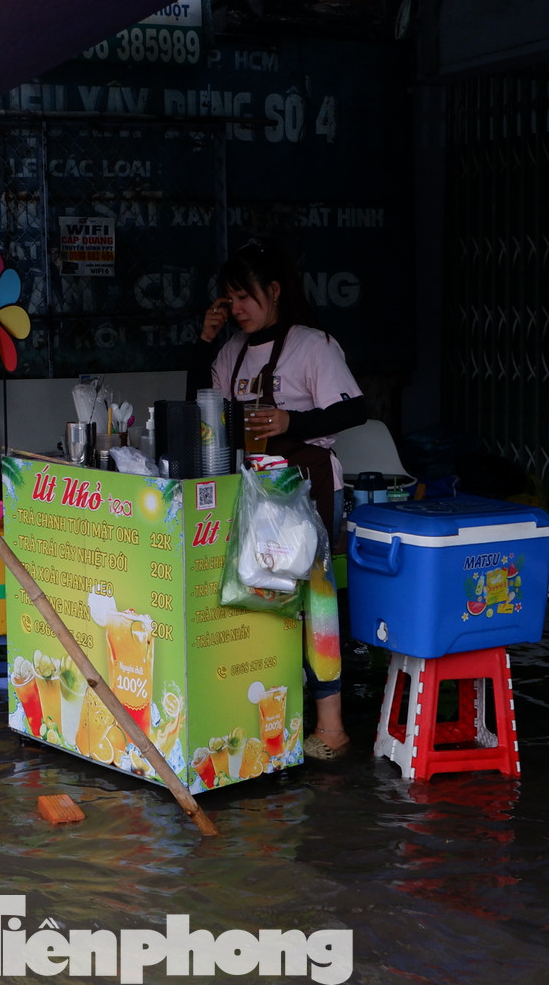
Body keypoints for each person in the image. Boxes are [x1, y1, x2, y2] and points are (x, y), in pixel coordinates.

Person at [199, 239, 370, 761]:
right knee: (261, 600)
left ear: (273, 291)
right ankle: (268, 717)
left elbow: (355, 410)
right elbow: (203, 413)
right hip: (253, 494)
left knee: (316, 602)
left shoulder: (312, 345)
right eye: (229, 300)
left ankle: (332, 727)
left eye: (244, 296)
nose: (238, 309)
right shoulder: (228, 353)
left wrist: (293, 421)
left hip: (307, 489)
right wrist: (204, 342)